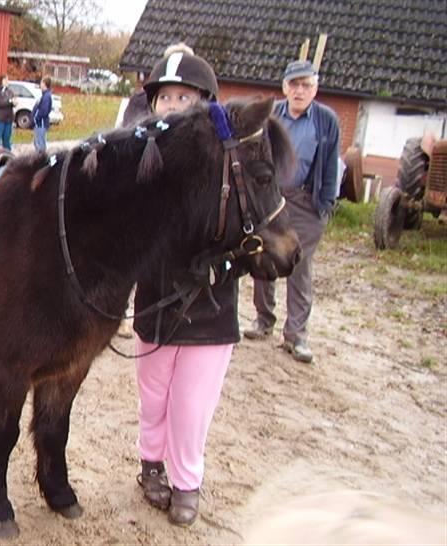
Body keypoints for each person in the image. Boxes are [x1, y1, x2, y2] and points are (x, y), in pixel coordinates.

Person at [132, 43, 227, 527]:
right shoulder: (137, 162)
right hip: (156, 300)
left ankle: (187, 481)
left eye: (183, 97)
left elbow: (252, 232)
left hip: (210, 305)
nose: (172, 107)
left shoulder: (229, 166)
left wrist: (220, 262)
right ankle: (151, 465)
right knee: (154, 396)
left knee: (191, 404)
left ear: (205, 102)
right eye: (164, 98)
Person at [243, 60, 341, 364]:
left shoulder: (326, 120)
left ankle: (296, 334)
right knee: (263, 256)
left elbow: (331, 164)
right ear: (285, 87)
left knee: (298, 263)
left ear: (315, 87)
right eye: (294, 85)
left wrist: (324, 205)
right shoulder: (271, 115)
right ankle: (264, 319)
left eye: (306, 85)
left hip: (305, 201)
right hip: (272, 198)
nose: (299, 91)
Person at [0, 74, 16, 150]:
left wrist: (14, 102)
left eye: (8, 80)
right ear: (1, 80)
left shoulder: (10, 91)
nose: (7, 81)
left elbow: (13, 100)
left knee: (7, 140)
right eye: (5, 80)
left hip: (8, 119)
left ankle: (8, 156)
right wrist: (9, 101)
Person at [31, 76, 52, 152]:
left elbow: (44, 110)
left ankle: (41, 159)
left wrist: (36, 118)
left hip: (41, 123)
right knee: (37, 142)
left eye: (41, 82)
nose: (40, 84)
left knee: (40, 143)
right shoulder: (44, 95)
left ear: (44, 84)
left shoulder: (46, 96)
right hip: (39, 123)